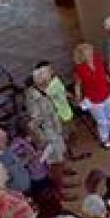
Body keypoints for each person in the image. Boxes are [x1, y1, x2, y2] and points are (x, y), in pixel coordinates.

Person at [25, 65, 74, 201]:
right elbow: (34, 123)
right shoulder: (34, 98)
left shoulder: (43, 91)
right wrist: (43, 141)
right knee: (55, 164)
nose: (51, 81)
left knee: (61, 158)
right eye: (49, 79)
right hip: (48, 137)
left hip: (55, 129)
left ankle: (62, 182)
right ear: (42, 82)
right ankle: (59, 191)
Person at [72, 42, 110, 148]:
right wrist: (78, 97)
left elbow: (104, 73)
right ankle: (105, 139)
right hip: (94, 99)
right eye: (87, 52)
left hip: (106, 93)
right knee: (102, 121)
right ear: (82, 55)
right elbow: (78, 85)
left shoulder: (98, 59)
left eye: (91, 50)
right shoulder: (79, 69)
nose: (90, 53)